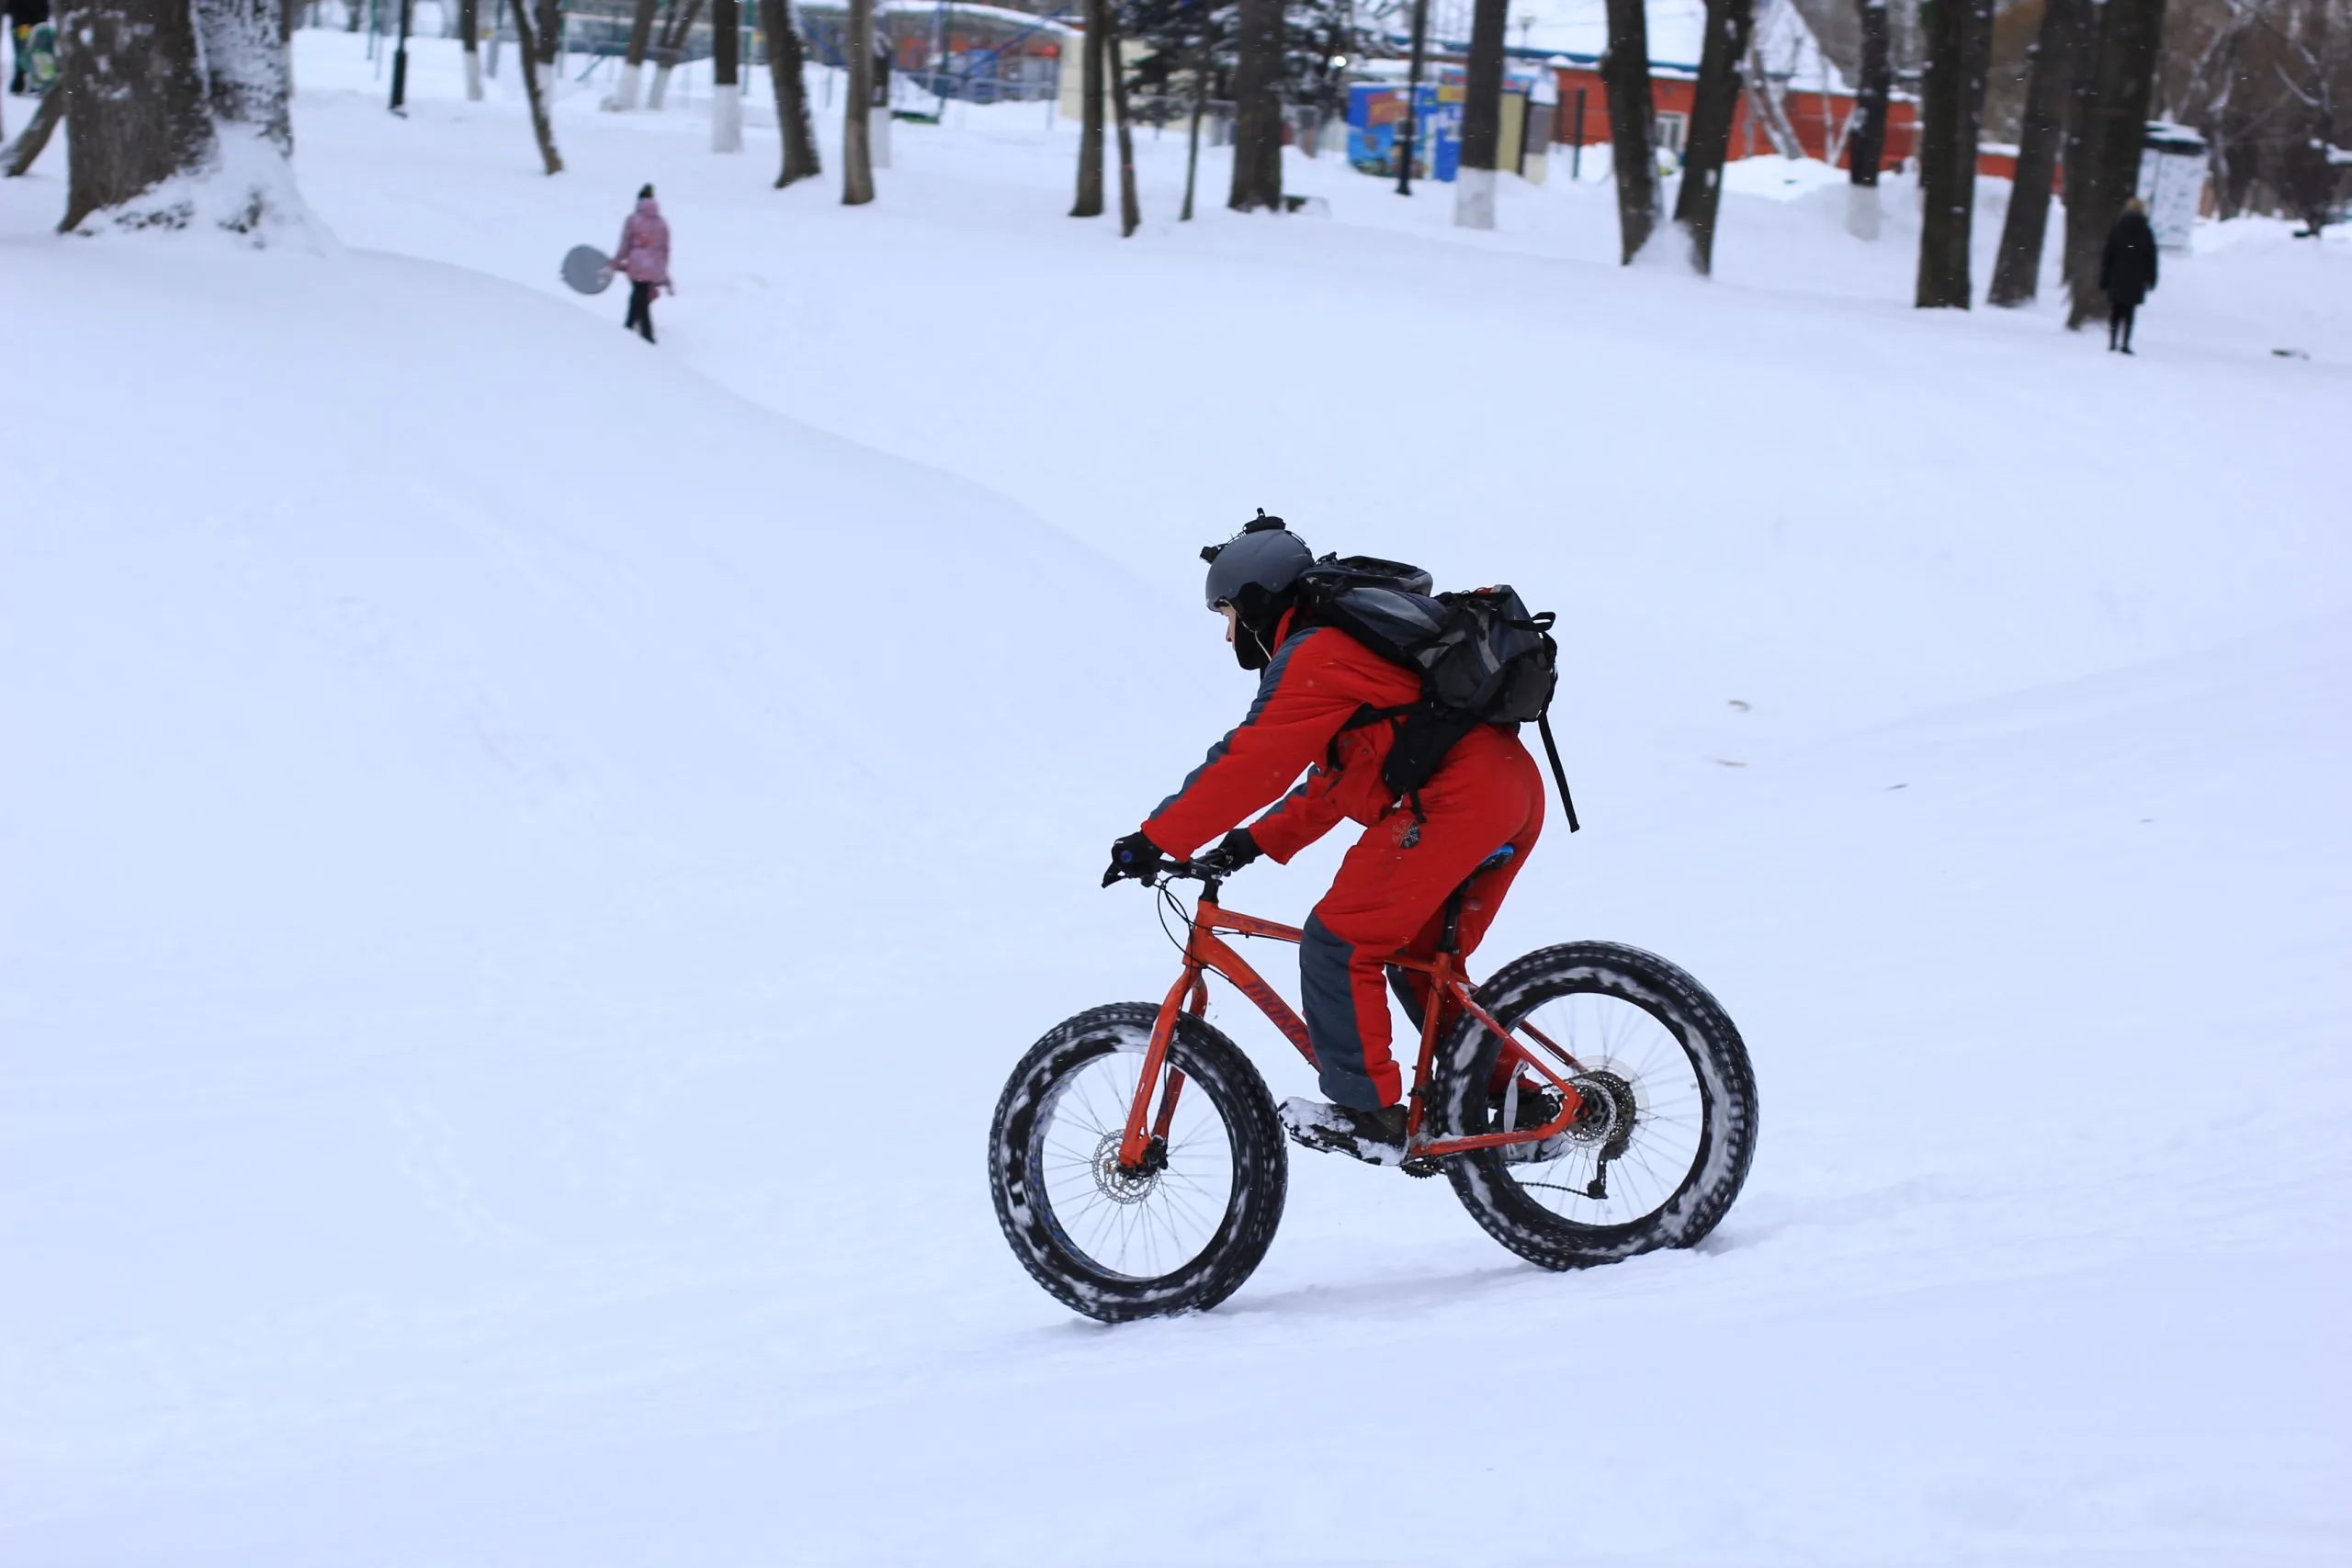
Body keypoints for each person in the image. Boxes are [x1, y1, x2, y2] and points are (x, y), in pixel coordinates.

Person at [1102, 515, 1546, 1164]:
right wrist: (1248, 844)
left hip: (1460, 801)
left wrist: (1154, 838)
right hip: (1505, 793)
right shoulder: (1350, 654)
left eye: (1228, 612)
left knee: (1338, 941)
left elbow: (1253, 759)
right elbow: (1335, 782)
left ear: (1258, 598)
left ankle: (1371, 1115)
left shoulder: (1317, 652)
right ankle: (1526, 1105)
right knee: (1419, 964)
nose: (1230, 632)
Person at [606, 184, 673, 344]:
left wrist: (615, 263)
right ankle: (629, 327)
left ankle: (647, 337)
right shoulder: (662, 223)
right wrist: (663, 273)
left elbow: (625, 245)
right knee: (639, 297)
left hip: (637, 265)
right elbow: (665, 249)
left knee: (640, 299)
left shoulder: (633, 220)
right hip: (655, 267)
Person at [2100, 197, 2159, 355]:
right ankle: (2125, 343)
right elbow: (2151, 258)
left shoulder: (2117, 228)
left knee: (2115, 311)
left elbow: (2108, 255)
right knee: (2129, 312)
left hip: (2117, 275)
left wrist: (2104, 278)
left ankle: (2112, 341)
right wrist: (2151, 279)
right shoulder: (2146, 231)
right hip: (2136, 278)